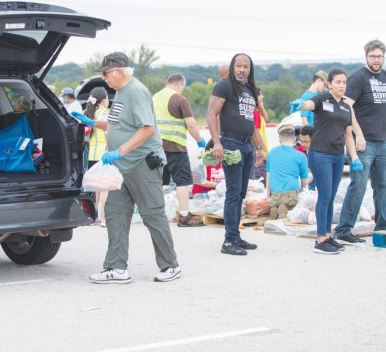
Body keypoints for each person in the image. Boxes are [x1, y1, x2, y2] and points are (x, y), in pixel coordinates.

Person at [87, 52, 180, 284]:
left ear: (118, 71)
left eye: (106, 73)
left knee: (152, 214)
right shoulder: (119, 92)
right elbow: (119, 124)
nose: (104, 78)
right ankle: (116, 268)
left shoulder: (136, 92)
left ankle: (170, 266)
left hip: (141, 163)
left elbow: (147, 128)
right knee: (115, 213)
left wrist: (121, 150)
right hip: (122, 167)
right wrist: (92, 123)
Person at [334, 39, 386, 245]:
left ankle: (383, 228)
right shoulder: (359, 78)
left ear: (384, 57)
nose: (376, 60)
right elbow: (347, 106)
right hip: (363, 144)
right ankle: (343, 230)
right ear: (366, 57)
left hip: (382, 142)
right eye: (372, 56)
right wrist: (358, 134)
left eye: (379, 56)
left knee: (382, 186)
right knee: (358, 186)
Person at [207, 53, 266, 256]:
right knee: (233, 193)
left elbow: (251, 122)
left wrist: (259, 148)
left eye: (245, 67)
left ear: (250, 69)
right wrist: (217, 142)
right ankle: (229, 241)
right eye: (238, 66)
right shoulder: (224, 86)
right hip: (231, 143)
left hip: (248, 145)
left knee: (241, 193)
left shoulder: (249, 90)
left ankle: (236, 236)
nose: (242, 70)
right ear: (233, 67)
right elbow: (212, 114)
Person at [300, 69, 361, 254]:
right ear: (329, 84)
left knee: (331, 197)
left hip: (337, 156)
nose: (342, 85)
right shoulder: (322, 99)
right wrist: (302, 104)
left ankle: (327, 236)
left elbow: (348, 135)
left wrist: (355, 157)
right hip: (320, 155)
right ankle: (320, 241)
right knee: (324, 196)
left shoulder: (346, 107)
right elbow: (309, 104)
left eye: (344, 82)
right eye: (338, 82)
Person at [152, 73, 207, 227]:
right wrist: (200, 141)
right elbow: (191, 124)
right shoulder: (180, 99)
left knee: (159, 182)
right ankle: (184, 216)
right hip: (176, 147)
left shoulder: (154, 98)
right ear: (179, 85)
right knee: (181, 182)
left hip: (155, 148)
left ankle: (155, 215)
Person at [76, 87, 110, 227]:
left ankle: (92, 216)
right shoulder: (106, 114)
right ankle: (105, 219)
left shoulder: (85, 113)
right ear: (104, 99)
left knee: (93, 187)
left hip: (88, 155)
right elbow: (109, 133)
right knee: (105, 188)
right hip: (103, 154)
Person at [265, 123, 308, 220]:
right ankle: (287, 208)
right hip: (291, 196)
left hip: (275, 195)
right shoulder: (301, 156)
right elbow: (304, 181)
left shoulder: (272, 153)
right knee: (294, 208)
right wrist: (303, 194)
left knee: (276, 203)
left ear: (279, 139)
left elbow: (268, 175)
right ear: (294, 139)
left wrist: (268, 195)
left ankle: (274, 207)